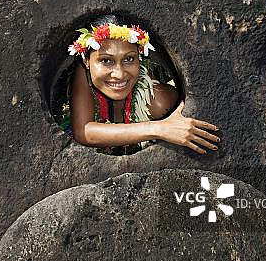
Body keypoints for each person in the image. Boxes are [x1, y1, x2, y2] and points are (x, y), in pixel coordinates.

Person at [59, 15, 221, 156]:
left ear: (139, 56)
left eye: (129, 59)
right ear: (86, 61)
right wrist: (159, 129)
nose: (119, 74)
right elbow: (83, 131)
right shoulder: (84, 73)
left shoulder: (159, 101)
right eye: (106, 61)